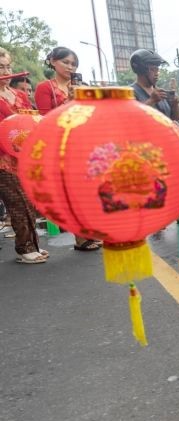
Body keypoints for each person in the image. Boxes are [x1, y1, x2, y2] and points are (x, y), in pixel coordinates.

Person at [35, 46, 102, 252]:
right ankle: (81, 237)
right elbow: (45, 120)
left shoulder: (81, 86)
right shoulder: (45, 88)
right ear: (53, 62)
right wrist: (69, 100)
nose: (70, 67)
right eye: (65, 62)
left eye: (73, 64)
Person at [0, 47, 48, 263]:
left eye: (8, 66)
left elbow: (30, 120)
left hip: (23, 156)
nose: (5, 71)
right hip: (2, 159)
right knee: (17, 202)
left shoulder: (20, 94)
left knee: (30, 200)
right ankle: (24, 247)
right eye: (0, 67)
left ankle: (33, 244)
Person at [129, 49, 179, 121]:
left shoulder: (160, 92)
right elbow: (130, 118)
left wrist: (175, 105)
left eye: (157, 70)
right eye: (152, 69)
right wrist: (151, 101)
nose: (157, 74)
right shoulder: (130, 93)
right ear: (141, 70)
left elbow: (175, 118)